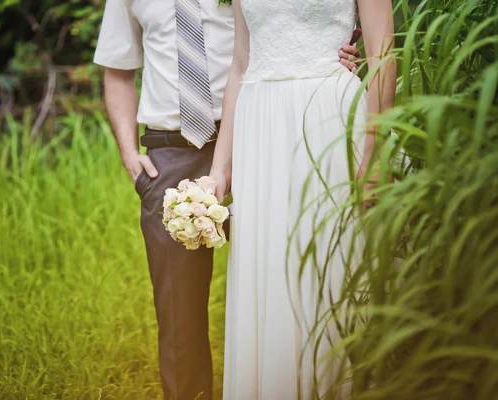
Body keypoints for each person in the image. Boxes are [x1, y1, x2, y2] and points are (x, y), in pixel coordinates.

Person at [93, 1, 362, 398]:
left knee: (287, 277)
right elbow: (117, 68)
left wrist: (331, 50)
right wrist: (129, 155)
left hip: (263, 135)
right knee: (178, 308)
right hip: (172, 153)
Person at [208, 0, 396, 399]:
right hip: (260, 128)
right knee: (271, 267)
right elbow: (240, 66)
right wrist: (219, 168)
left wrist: (375, 155)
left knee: (334, 266)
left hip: (327, 116)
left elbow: (381, 50)